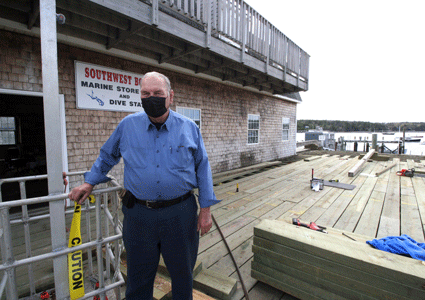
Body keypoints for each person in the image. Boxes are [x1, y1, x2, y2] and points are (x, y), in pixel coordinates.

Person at [68, 71, 220, 300]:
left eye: (158, 93)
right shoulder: (127, 126)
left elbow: (202, 167)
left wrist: (206, 210)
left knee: (182, 275)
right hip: (139, 216)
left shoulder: (189, 128)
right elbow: (107, 156)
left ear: (170, 96)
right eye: (146, 93)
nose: (152, 98)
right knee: (138, 278)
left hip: (180, 215)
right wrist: (89, 182)